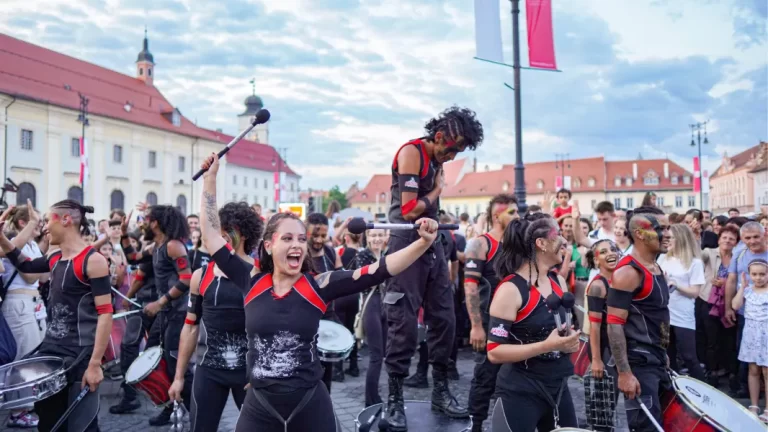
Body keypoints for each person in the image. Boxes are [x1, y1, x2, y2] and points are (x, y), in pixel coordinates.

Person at [198, 152, 439, 431]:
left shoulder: (319, 284)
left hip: (310, 403)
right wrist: (211, 178)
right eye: (287, 238)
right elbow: (212, 236)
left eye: (300, 238)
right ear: (268, 246)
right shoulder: (250, 279)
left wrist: (422, 244)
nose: (297, 245)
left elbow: (381, 269)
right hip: (259, 407)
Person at [384, 106, 483, 429]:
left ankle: (441, 391)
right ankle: (394, 399)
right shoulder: (412, 152)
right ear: (439, 136)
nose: (452, 157)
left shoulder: (437, 159)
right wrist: (438, 190)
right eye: (452, 149)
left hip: (433, 242)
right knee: (404, 321)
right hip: (407, 242)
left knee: (445, 317)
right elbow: (410, 209)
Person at [0, 200, 113, 432]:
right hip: (51, 355)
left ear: (66, 220)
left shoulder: (94, 261)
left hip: (80, 358)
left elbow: (106, 314)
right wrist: (1, 237)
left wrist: (94, 364)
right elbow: (25, 265)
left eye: (48, 221)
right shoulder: (54, 257)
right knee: (50, 424)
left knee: (83, 426)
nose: (45, 229)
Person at [169, 201, 262, 431]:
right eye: (219, 231)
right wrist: (179, 376)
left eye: (230, 230)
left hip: (249, 373)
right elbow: (190, 327)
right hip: (209, 370)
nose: (223, 236)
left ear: (245, 234)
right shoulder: (200, 276)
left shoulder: (261, 274)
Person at [486, 213, 581, 431]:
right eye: (557, 235)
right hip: (520, 393)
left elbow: (558, 332)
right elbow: (494, 352)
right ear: (541, 244)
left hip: (557, 388)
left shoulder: (558, 281)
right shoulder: (511, 290)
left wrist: (569, 340)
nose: (564, 241)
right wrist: (547, 346)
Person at [120, 204, 194, 425]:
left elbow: (187, 279)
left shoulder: (173, 246)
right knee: (156, 359)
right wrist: (124, 234)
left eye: (147, 219)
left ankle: (199, 415)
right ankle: (169, 406)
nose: (144, 223)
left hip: (178, 314)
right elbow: (133, 258)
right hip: (165, 315)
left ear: (157, 223)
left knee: (174, 363)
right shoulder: (156, 247)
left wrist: (160, 302)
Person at [606, 206, 671, 431]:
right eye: (661, 228)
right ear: (641, 233)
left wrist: (663, 354)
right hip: (639, 364)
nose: (669, 234)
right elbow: (613, 325)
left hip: (657, 360)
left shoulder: (655, 266)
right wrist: (624, 373)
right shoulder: (628, 273)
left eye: (669, 227)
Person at [463, 193, 518, 432]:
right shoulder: (480, 243)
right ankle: (475, 425)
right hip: (489, 320)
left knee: (513, 379)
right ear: (497, 216)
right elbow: (470, 286)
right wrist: (476, 326)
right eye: (512, 213)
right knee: (485, 376)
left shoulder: (517, 245)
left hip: (516, 322)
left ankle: (508, 424)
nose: (517, 217)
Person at [0, 202, 47, 428]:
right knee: (22, 359)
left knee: (33, 357)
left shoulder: (33, 246)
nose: (40, 225)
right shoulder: (11, 239)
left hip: (34, 303)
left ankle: (26, 405)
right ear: (23, 223)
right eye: (35, 222)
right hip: (18, 304)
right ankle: (17, 411)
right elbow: (30, 275)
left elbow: (44, 277)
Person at [657, 224, 706, 381]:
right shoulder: (663, 258)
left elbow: (695, 292)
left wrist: (676, 284)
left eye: (670, 237)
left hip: (683, 314)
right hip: (664, 313)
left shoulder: (694, 262)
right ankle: (673, 394)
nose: (667, 241)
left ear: (681, 239)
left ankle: (703, 391)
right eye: (666, 237)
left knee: (689, 356)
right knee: (667, 356)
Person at [584, 239, 622, 431]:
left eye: (613, 249)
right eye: (604, 251)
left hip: (617, 346)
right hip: (603, 348)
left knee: (606, 396)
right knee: (607, 396)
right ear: (596, 260)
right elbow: (594, 327)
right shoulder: (598, 286)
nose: (611, 254)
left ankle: (595, 424)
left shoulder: (621, 280)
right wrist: (596, 360)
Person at [731, 259, 768, 421]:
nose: (758, 278)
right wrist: (743, 287)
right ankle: (754, 405)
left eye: (762, 274)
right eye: (754, 274)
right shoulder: (747, 290)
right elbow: (735, 305)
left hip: (766, 333)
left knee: (766, 372)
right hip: (751, 334)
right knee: (753, 370)